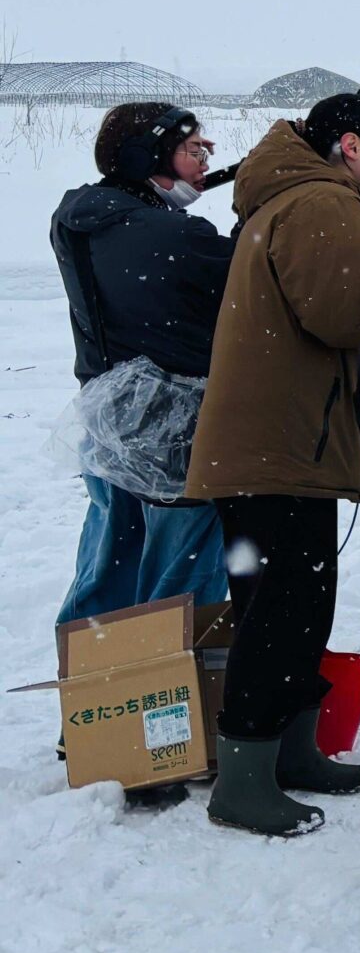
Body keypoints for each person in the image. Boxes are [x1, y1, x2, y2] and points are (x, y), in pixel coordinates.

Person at [185, 94, 360, 836]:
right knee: (282, 610)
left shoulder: (289, 196)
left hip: (267, 445)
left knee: (287, 605)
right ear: (352, 145)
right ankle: (244, 781)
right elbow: (350, 317)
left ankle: (291, 752)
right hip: (279, 446)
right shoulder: (324, 203)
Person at [50, 103, 232, 622]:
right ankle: (168, 671)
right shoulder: (175, 235)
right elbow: (253, 283)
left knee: (110, 566)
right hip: (177, 435)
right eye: (193, 150)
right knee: (182, 587)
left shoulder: (82, 218)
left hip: (110, 421)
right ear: (145, 158)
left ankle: (92, 664)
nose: (205, 160)